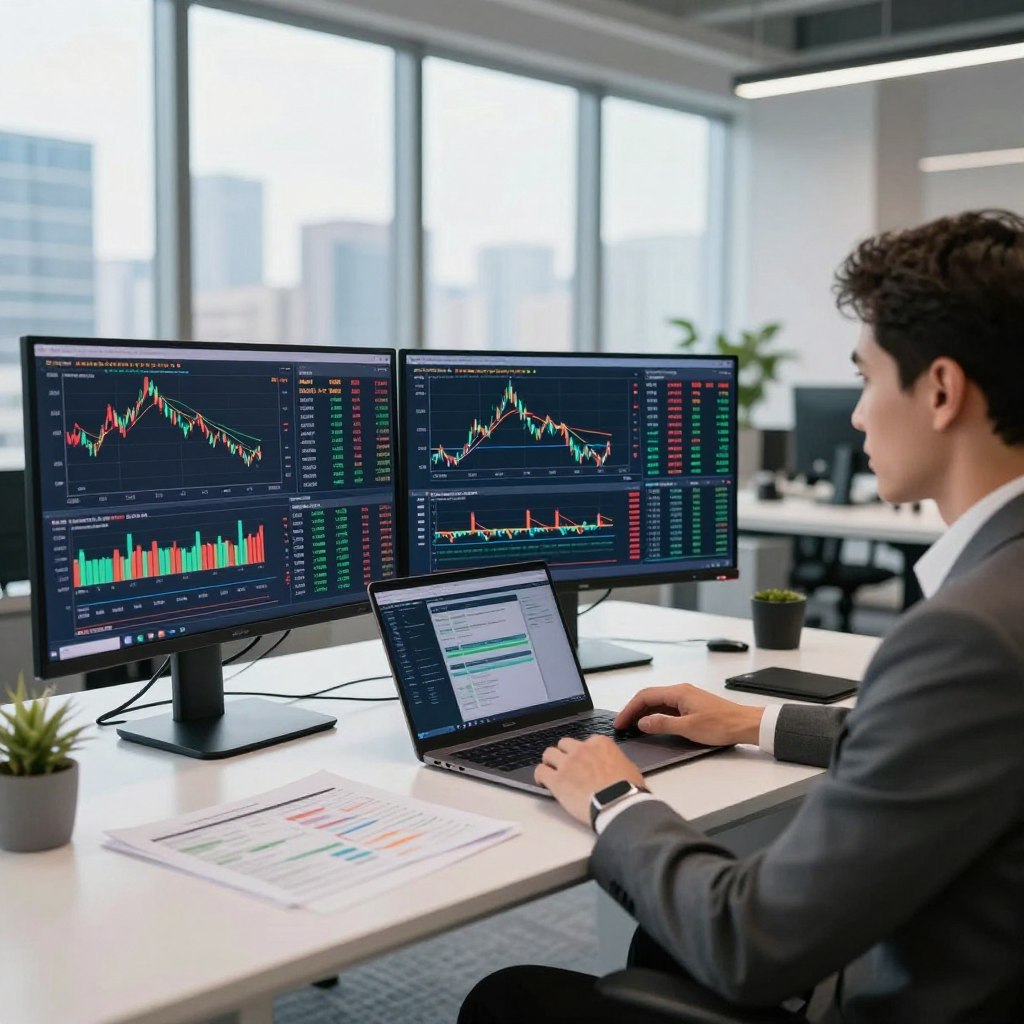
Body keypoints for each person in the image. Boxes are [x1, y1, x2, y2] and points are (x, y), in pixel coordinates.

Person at [459, 209, 1024, 1024]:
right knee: (661, 938)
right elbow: (966, 743)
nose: (859, 414)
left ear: (940, 389)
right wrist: (756, 722)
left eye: (865, 377)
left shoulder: (969, 634)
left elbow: (747, 943)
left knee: (510, 1000)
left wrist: (615, 799)